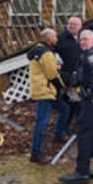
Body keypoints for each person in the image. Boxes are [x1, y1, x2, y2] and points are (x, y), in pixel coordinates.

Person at [59, 29, 93, 184]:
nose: (82, 42)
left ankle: (81, 172)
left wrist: (90, 96)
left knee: (85, 136)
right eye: (80, 39)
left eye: (85, 39)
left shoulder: (92, 54)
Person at [27, 28, 69, 164]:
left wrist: (55, 67)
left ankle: (58, 135)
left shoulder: (38, 50)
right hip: (45, 90)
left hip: (43, 88)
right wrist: (62, 87)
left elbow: (46, 68)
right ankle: (35, 153)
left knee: (64, 109)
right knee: (42, 121)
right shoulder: (46, 53)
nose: (57, 39)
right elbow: (52, 75)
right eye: (55, 37)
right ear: (49, 39)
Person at [55, 16, 83, 139]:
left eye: (75, 24)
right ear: (67, 25)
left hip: (76, 77)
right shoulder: (60, 38)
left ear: (80, 27)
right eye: (71, 24)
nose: (72, 26)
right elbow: (52, 52)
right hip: (64, 77)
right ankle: (62, 130)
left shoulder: (80, 39)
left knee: (74, 103)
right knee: (67, 104)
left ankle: (68, 127)